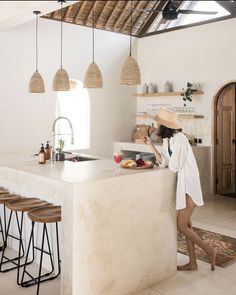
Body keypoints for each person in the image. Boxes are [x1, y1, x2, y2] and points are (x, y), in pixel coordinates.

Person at [144, 107, 216, 271]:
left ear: (163, 125)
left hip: (189, 185)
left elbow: (174, 166)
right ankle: (193, 263)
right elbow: (163, 162)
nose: (154, 124)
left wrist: (166, 160)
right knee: (187, 225)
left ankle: (209, 250)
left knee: (181, 226)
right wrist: (150, 145)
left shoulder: (180, 139)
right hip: (183, 185)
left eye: (157, 122)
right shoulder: (167, 140)